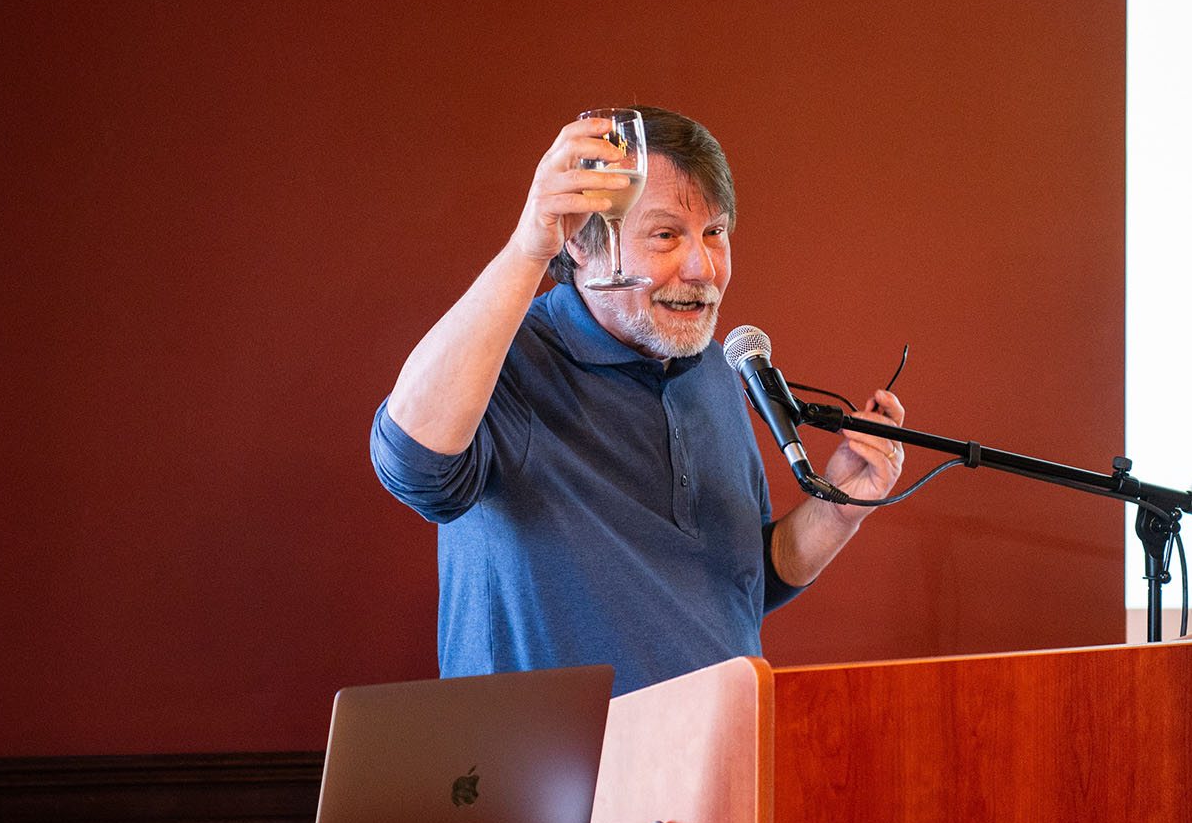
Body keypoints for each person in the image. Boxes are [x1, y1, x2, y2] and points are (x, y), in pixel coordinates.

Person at [370, 107, 904, 695]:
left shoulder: (717, 373)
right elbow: (412, 465)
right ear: (580, 243)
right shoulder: (507, 360)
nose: (703, 267)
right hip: (561, 778)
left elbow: (740, 583)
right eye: (666, 235)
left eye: (715, 233)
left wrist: (837, 510)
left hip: (712, 764)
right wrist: (528, 247)